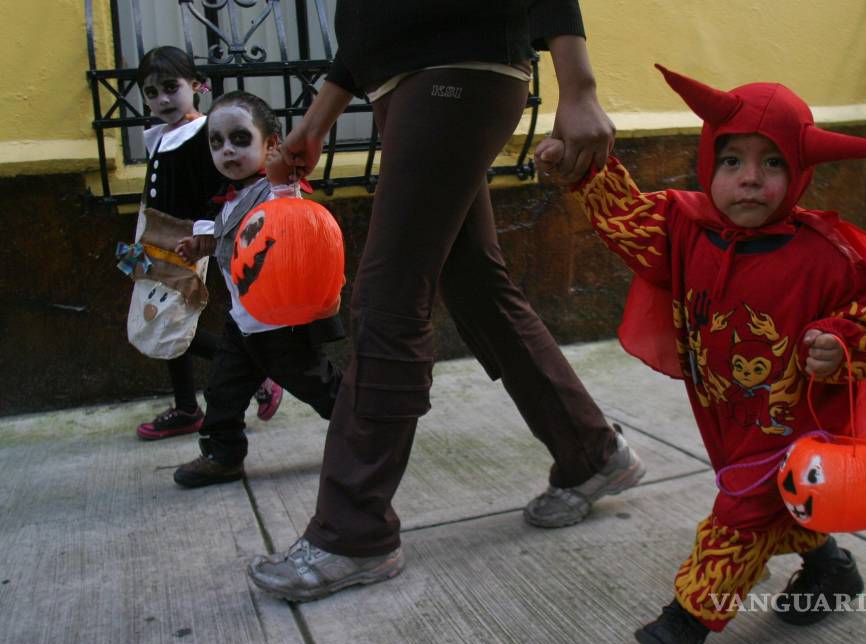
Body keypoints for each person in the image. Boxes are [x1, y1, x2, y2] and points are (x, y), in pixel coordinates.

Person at [537, 65, 866, 644]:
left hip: (793, 420)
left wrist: (839, 345)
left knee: (741, 510)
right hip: (728, 411)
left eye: (774, 164)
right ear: (709, 158)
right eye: (732, 160)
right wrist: (581, 168)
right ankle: (830, 571)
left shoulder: (829, 257)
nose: (750, 180)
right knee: (778, 502)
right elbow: (623, 219)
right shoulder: (682, 226)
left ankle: (685, 622)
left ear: (801, 172)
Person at [246, 1, 646, 601]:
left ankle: (353, 534)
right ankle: (591, 451)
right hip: (411, 84)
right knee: (475, 284)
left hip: (458, 68)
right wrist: (319, 119)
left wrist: (579, 85)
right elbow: (367, 19)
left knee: (389, 294)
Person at [171, 91, 344, 488]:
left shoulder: (276, 191)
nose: (227, 150)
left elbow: (287, 229)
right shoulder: (230, 199)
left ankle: (367, 430)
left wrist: (286, 172)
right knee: (222, 391)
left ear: (272, 145)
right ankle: (222, 455)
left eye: (240, 139)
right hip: (242, 322)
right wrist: (206, 241)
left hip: (281, 326)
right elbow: (238, 240)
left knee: (319, 386)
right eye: (217, 142)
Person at [130, 46, 283, 440]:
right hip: (153, 237)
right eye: (151, 92)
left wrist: (202, 235)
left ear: (197, 86)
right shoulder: (162, 135)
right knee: (159, 320)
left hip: (185, 239)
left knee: (171, 322)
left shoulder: (203, 134)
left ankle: (257, 374)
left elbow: (215, 188)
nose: (162, 99)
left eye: (170, 87)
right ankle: (186, 406)